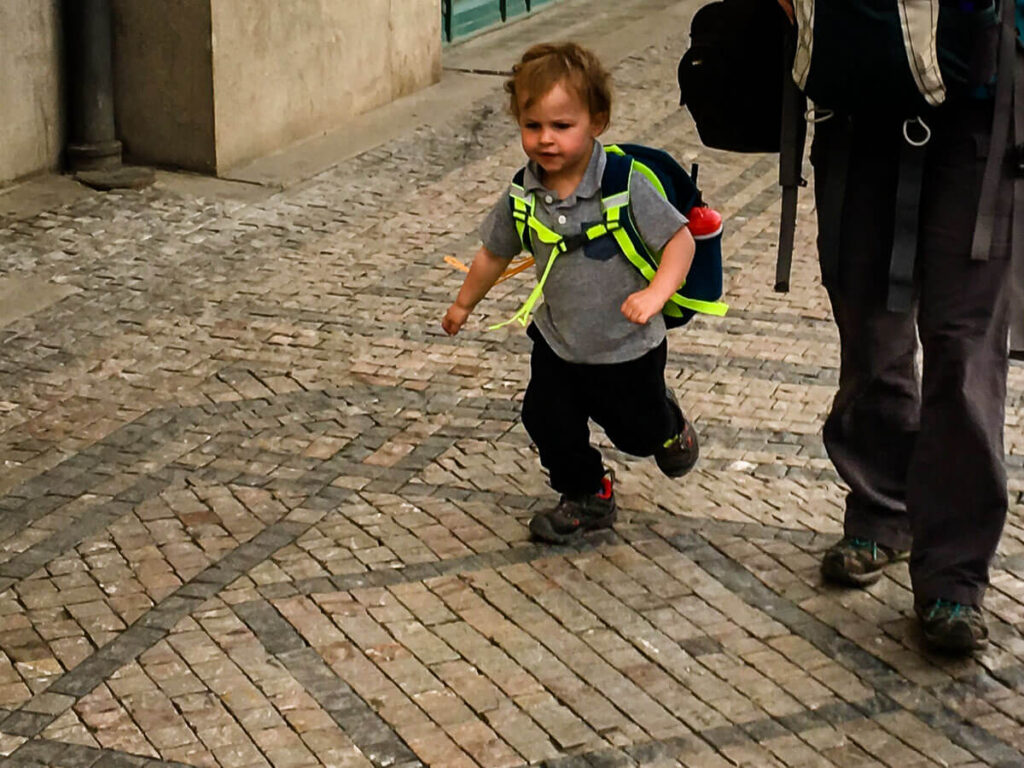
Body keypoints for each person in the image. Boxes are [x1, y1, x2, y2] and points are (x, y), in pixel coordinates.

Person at [777, 0, 1016, 654]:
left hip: (979, 113)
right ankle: (881, 510)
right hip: (855, 105)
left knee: (961, 346)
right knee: (868, 326)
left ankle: (954, 575)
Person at [441, 42, 700, 544]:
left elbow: (679, 242)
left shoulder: (623, 185)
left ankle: (669, 425)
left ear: (596, 121)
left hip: (628, 346)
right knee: (544, 416)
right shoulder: (523, 192)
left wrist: (655, 293)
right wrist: (463, 303)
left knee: (637, 433)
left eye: (562, 126)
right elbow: (493, 253)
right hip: (559, 342)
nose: (546, 140)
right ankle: (587, 493)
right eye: (532, 125)